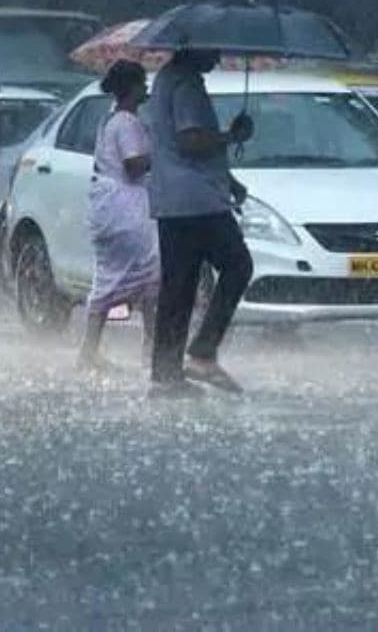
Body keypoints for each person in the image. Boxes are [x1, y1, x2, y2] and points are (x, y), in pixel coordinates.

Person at [146, 48, 255, 395]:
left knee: (178, 287)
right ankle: (204, 352)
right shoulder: (187, 84)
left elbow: (174, 145)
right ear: (193, 46)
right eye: (212, 49)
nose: (217, 57)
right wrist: (232, 136)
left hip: (172, 199)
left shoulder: (165, 79)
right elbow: (190, 140)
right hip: (198, 200)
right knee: (238, 265)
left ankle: (165, 372)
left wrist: (229, 180)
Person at [79, 60, 160, 372]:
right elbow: (134, 166)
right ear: (132, 88)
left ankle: (89, 350)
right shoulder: (126, 122)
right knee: (153, 275)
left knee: (108, 279)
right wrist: (161, 153)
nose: (147, 88)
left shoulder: (109, 120)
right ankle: (151, 348)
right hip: (126, 210)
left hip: (109, 209)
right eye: (142, 83)